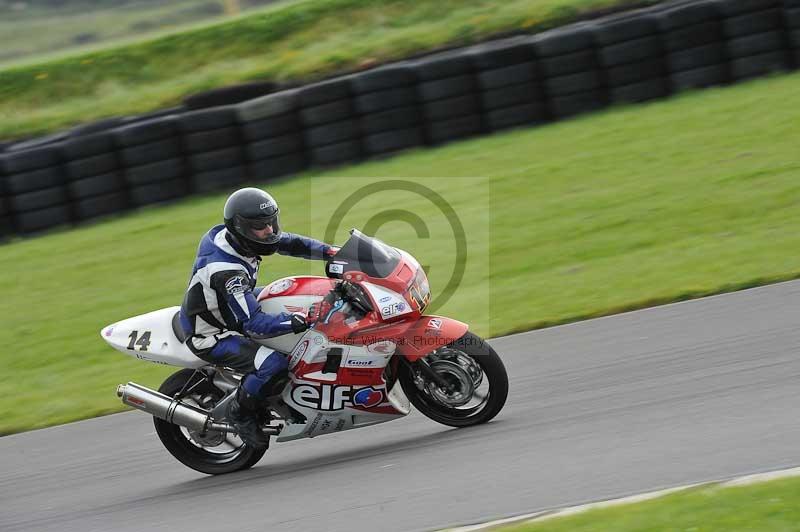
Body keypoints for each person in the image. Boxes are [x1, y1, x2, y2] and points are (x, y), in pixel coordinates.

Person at [178, 187, 336, 447]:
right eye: (261, 226)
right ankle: (240, 414)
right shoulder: (226, 272)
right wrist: (303, 319)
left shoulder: (235, 237)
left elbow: (290, 243)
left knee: (299, 291)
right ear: (241, 228)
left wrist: (332, 252)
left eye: (272, 222)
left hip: (231, 308)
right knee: (274, 364)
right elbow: (254, 324)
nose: (271, 231)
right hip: (213, 333)